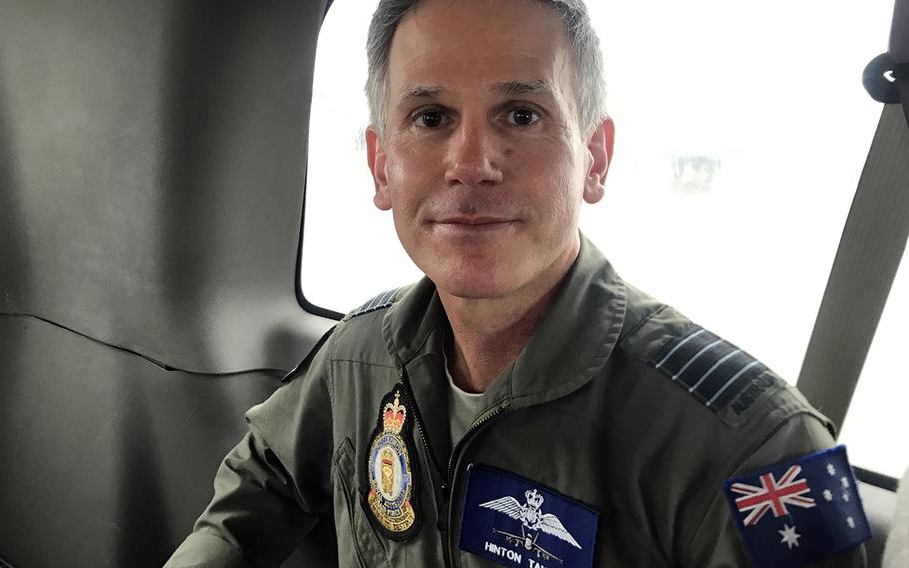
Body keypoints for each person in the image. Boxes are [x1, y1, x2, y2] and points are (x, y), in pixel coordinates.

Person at [166, 1, 870, 566]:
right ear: (382, 167)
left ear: (595, 158)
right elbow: (261, 483)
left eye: (521, 115)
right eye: (430, 118)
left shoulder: (754, 448)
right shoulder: (358, 357)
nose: (471, 163)